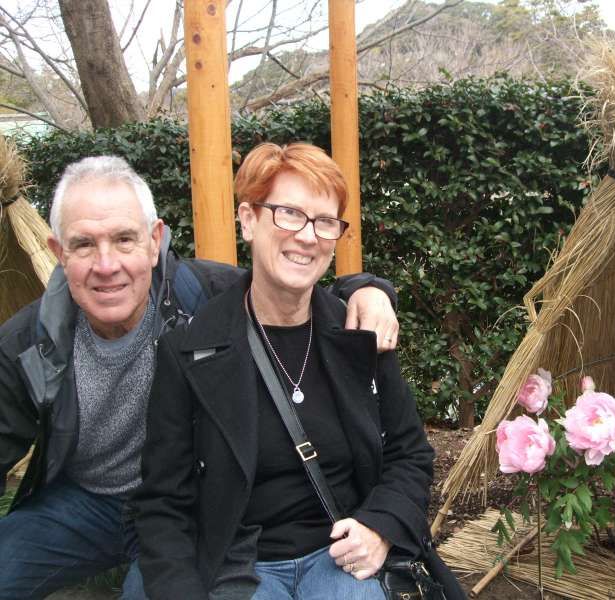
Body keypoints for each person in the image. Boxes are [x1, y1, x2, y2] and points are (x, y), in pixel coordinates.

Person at [0, 155, 400, 600]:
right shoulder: (28, 344)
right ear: (58, 253)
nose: (107, 264)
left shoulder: (203, 297)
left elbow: (293, 279)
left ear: (155, 242)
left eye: (124, 239)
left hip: (190, 506)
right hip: (84, 502)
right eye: (84, 245)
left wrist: (370, 290)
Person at [134, 143, 461, 600]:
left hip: (342, 557)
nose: (307, 236)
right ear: (248, 219)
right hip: (243, 567)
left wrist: (380, 528)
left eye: (325, 222)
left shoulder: (358, 333)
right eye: (288, 213)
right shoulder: (188, 352)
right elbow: (163, 501)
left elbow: (410, 453)